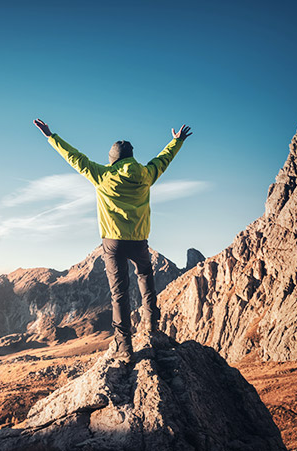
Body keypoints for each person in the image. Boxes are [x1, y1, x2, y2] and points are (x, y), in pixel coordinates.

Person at [33, 118, 192, 363]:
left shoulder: (103, 175)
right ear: (130, 157)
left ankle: (124, 345)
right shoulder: (146, 175)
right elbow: (163, 160)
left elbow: (76, 158)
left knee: (119, 293)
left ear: (113, 159)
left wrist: (51, 136)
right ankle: (151, 326)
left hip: (113, 242)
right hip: (139, 240)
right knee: (146, 279)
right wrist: (176, 141)